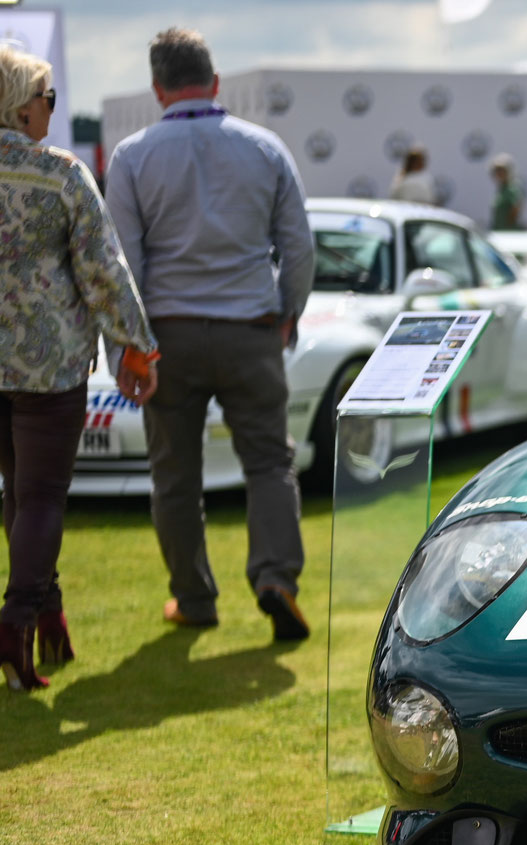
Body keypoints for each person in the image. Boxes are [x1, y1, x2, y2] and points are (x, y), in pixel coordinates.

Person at [103, 28, 315, 642]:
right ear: (215, 81)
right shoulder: (266, 148)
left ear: (157, 88)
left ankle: (194, 598)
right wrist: (286, 313)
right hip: (250, 328)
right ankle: (277, 577)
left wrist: (125, 347)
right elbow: (299, 249)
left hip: (168, 335)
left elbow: (123, 266)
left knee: (174, 475)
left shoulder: (133, 155)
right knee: (270, 464)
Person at [0, 46, 158, 690]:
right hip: (49, 364)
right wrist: (135, 347)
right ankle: (13, 623)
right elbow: (103, 270)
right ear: (21, 102)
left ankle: (47, 612)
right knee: (39, 497)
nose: (51, 110)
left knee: (18, 495)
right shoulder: (60, 174)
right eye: (47, 97)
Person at [488, 153, 523, 230]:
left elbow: (516, 207)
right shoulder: (501, 189)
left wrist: (508, 225)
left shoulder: (511, 188)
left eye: (502, 171)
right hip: (499, 230)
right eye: (497, 171)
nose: (499, 174)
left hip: (507, 232)